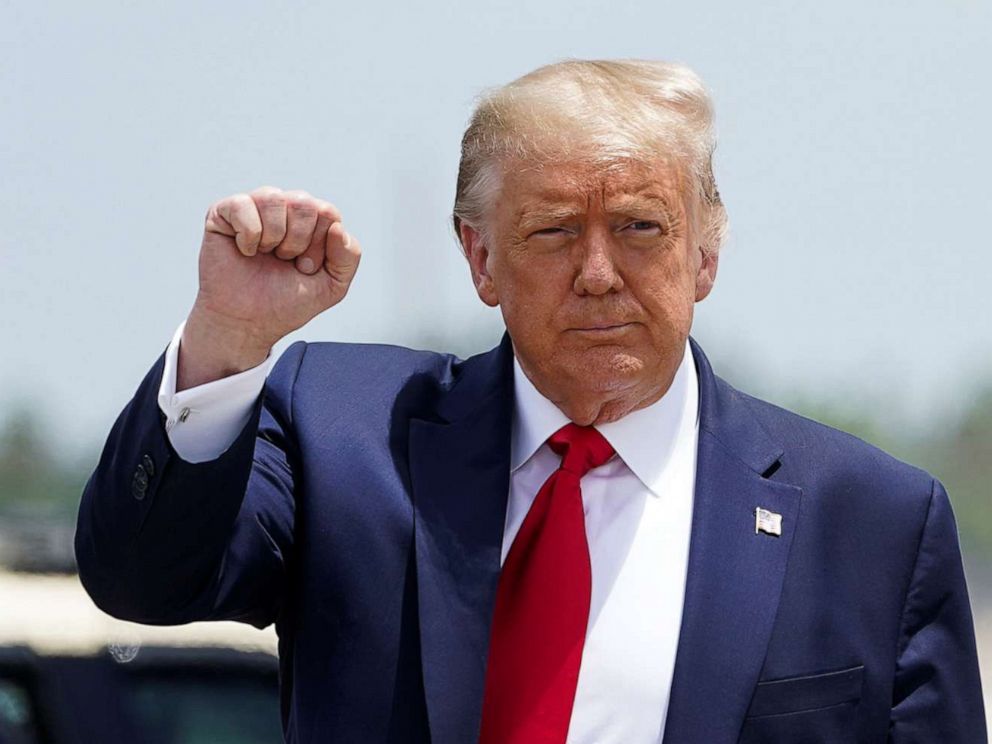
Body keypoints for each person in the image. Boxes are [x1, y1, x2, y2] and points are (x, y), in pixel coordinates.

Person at [75, 60, 986, 743]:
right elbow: (141, 581)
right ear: (480, 259)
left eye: (640, 227)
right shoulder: (342, 433)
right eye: (552, 232)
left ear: (705, 254)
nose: (598, 274)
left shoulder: (874, 523)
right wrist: (227, 338)